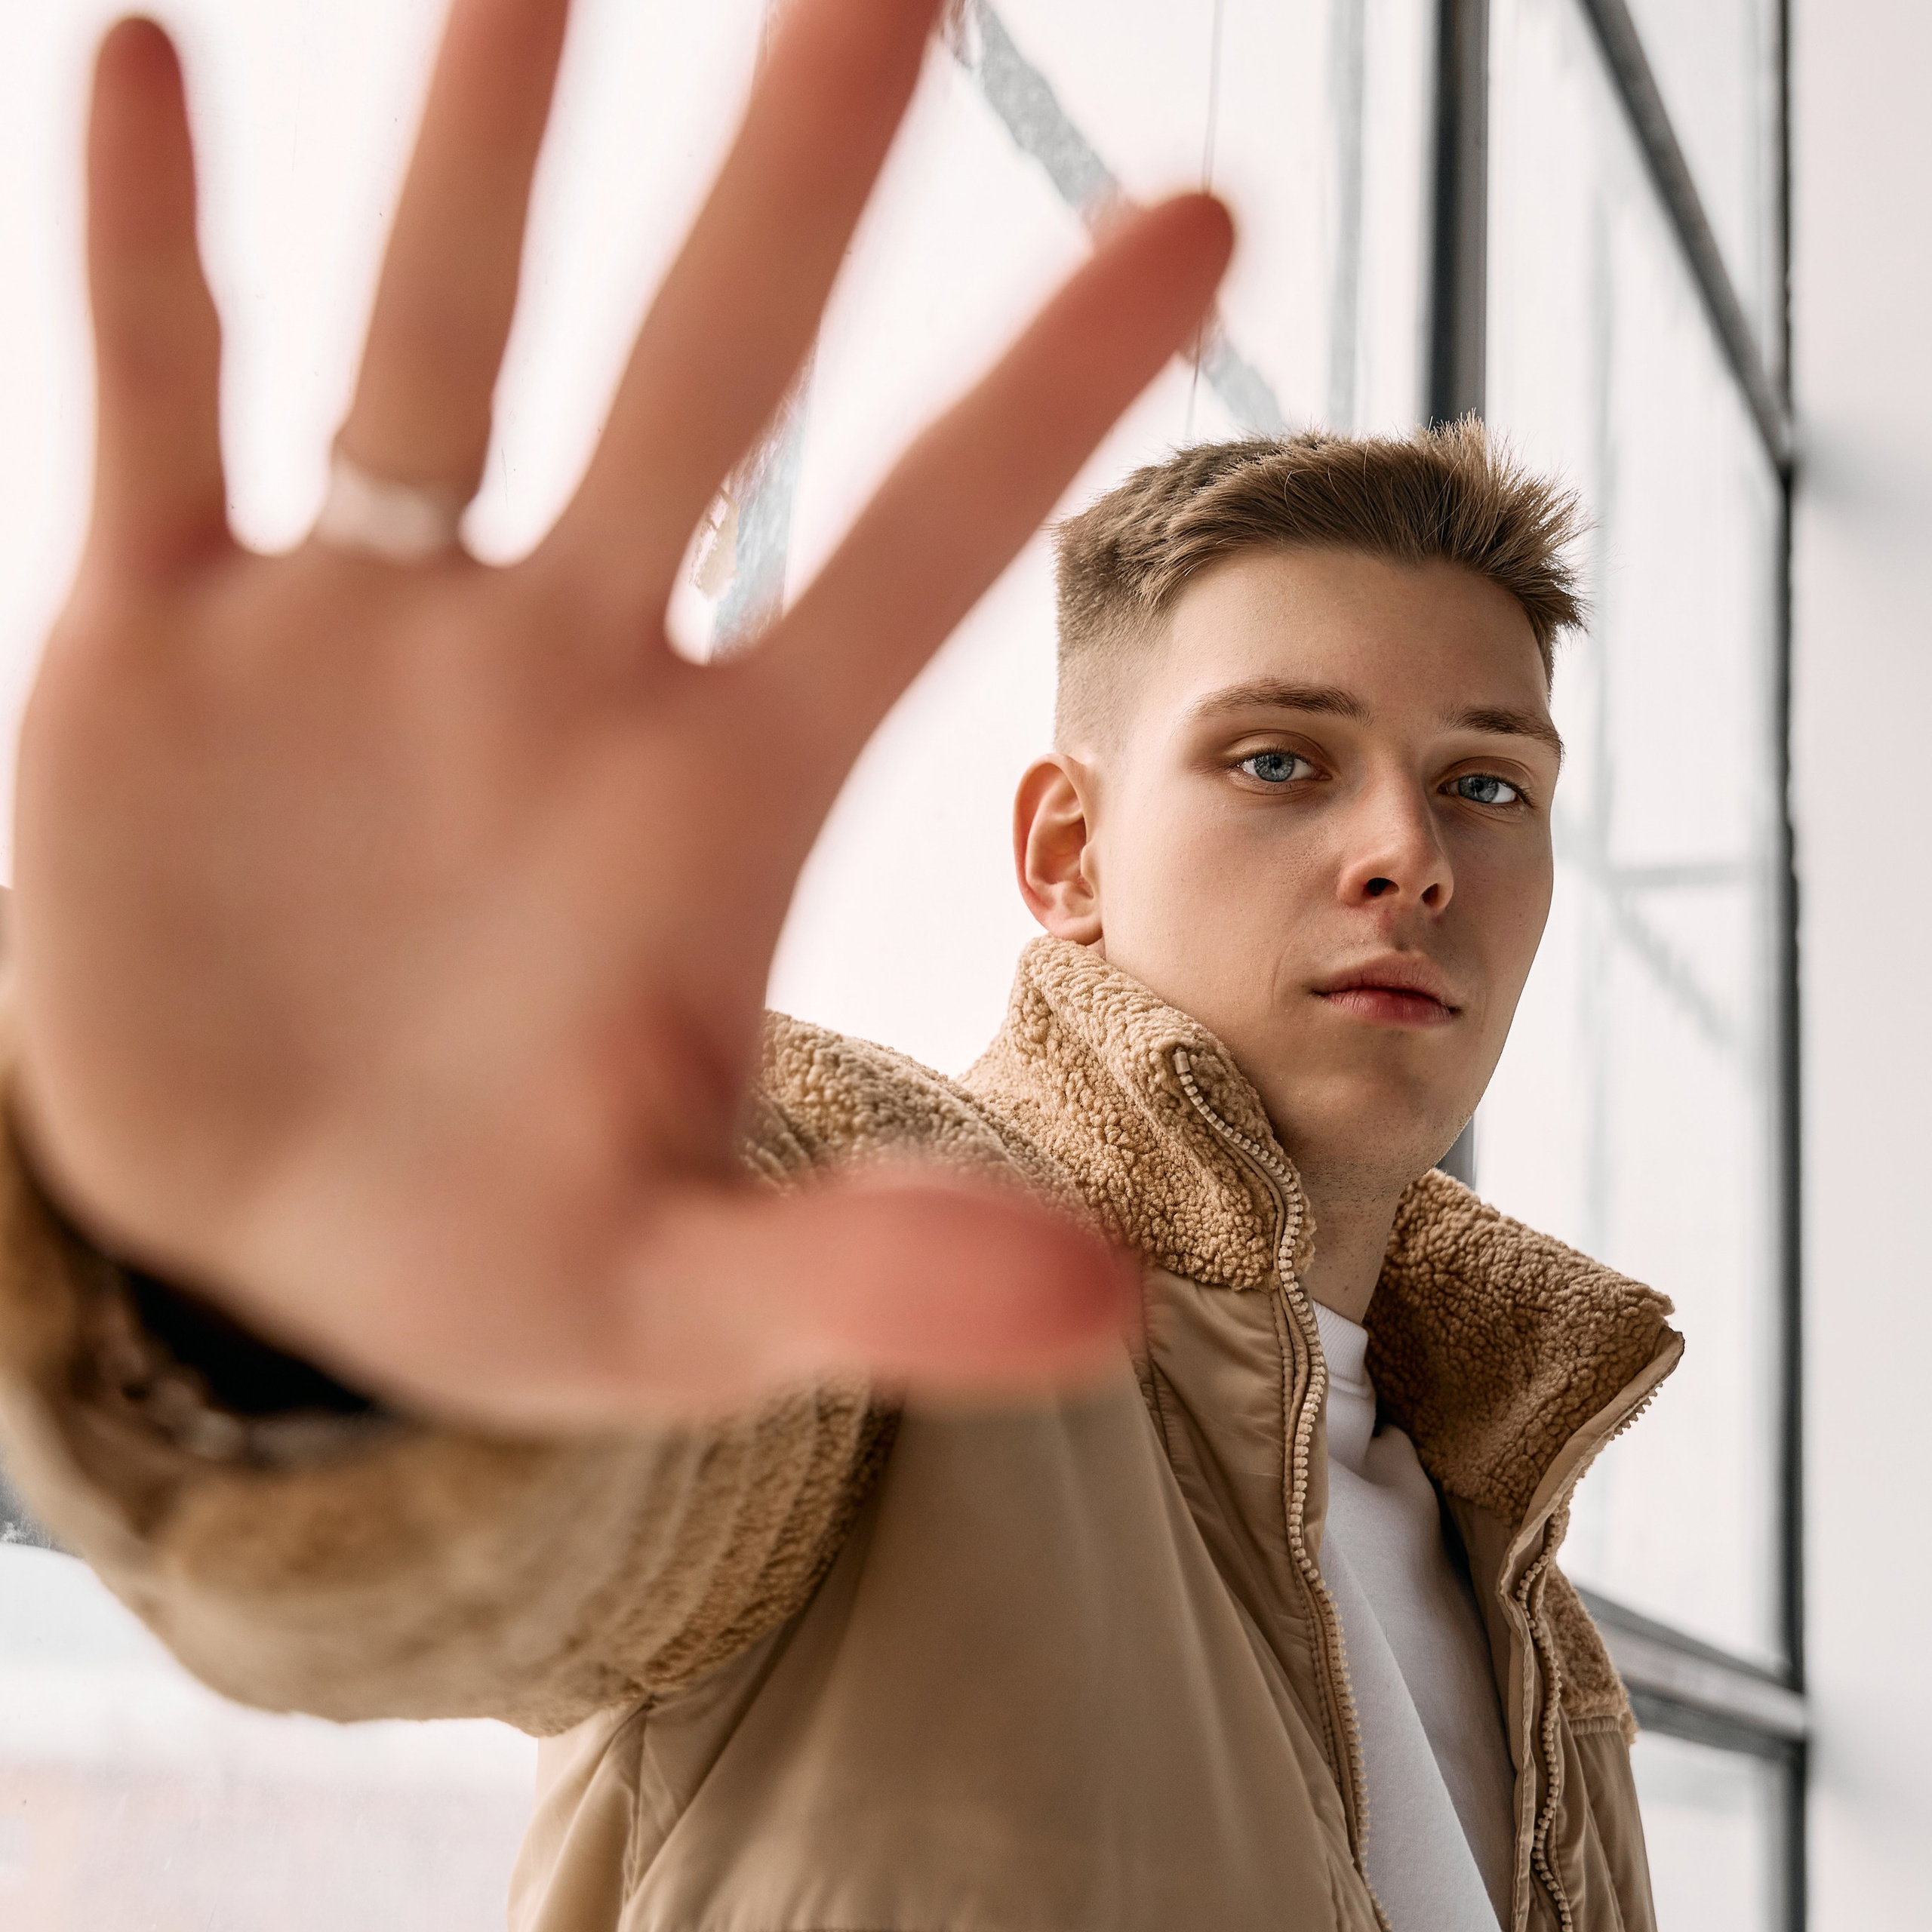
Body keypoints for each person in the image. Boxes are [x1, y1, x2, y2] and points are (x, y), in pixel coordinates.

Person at [0, 4, 1679, 1930]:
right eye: (1276, 758)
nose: (1407, 849)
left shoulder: (1531, 1605)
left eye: (1487, 782)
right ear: (1064, 850)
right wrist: (295, 1324)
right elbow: (526, 1548)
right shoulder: (855, 1252)